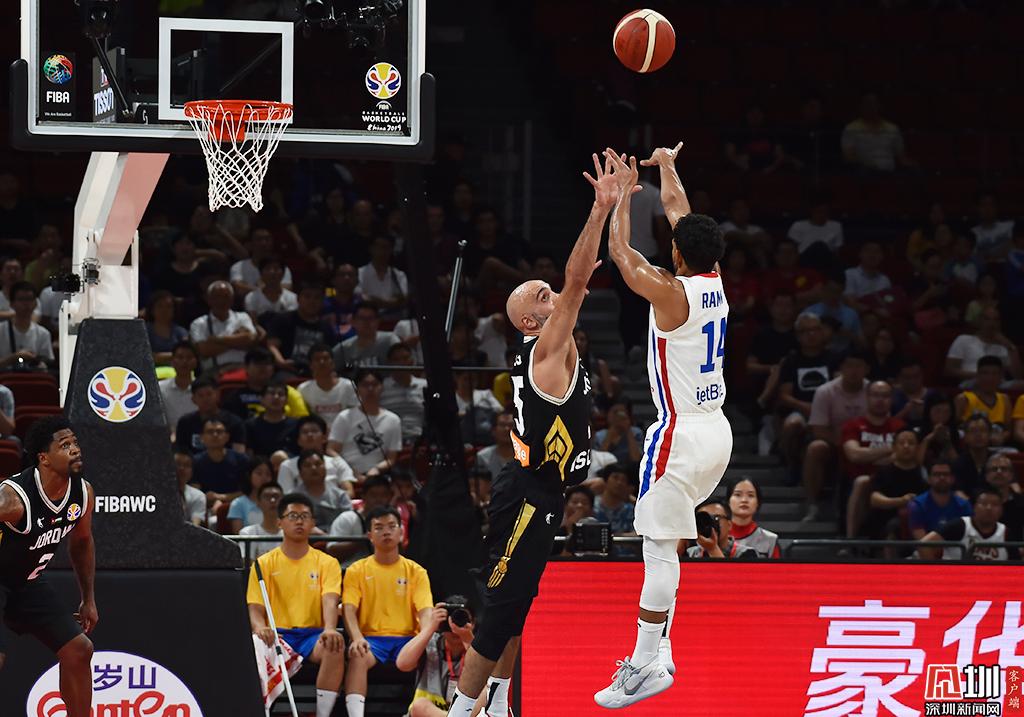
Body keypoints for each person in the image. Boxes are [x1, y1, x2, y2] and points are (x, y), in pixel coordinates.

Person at [446, 153, 610, 717]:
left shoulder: (551, 350)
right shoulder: (545, 350)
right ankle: (460, 712)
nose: (554, 295)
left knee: (517, 611)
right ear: (530, 323)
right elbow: (579, 279)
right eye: (543, 296)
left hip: (542, 492)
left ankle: (497, 706)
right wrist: (601, 209)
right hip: (525, 494)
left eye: (548, 290)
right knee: (498, 618)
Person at [594, 145, 732, 709]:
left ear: (676, 252)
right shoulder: (714, 278)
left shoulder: (672, 293)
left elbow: (620, 254)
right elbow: (681, 211)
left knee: (657, 547)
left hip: (680, 432)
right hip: (717, 431)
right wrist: (668, 167)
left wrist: (621, 199)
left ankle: (646, 659)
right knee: (668, 541)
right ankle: (661, 648)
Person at [0, 416, 97, 716]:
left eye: (75, 443)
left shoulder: (82, 493)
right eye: (65, 445)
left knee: (79, 649)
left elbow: (81, 542)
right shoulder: (12, 499)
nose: (75, 449)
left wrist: (88, 598)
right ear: (44, 458)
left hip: (26, 583)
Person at [246, 493, 343, 717]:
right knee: (253, 646)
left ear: (313, 523)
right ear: (280, 522)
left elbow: (330, 599)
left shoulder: (327, 562)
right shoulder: (263, 563)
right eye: (292, 516)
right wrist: (260, 627)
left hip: (313, 636)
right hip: (277, 636)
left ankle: (322, 715)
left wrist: (330, 628)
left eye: (304, 516)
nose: (299, 521)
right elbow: (255, 607)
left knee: (335, 646)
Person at [342, 506, 434, 717]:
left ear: (401, 532)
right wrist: (356, 638)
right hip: (371, 641)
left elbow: (425, 611)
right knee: (357, 654)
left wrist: (424, 638)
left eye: (392, 526)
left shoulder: (416, 571)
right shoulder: (356, 570)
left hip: (408, 640)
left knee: (431, 653)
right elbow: (348, 608)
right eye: (379, 527)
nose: (386, 532)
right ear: (369, 535)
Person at [802, 351, 870, 521]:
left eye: (858, 366)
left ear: (867, 369)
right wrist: (845, 445)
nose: (854, 371)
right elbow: (819, 429)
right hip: (834, 443)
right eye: (849, 366)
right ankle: (812, 504)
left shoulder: (873, 390)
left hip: (866, 445)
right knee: (816, 448)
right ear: (841, 369)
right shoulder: (825, 391)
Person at [402, 598, 481, 717]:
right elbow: (403, 664)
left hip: (465, 713)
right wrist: (430, 627)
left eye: (460, 619)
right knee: (420, 706)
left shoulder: (480, 647)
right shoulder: (429, 642)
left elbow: (489, 681)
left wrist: (467, 638)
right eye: (449, 620)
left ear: (473, 623)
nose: (453, 627)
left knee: (486, 694)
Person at [328, 368, 402, 481]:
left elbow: (391, 458)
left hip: (378, 476)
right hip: (346, 475)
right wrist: (349, 471)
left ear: (382, 387)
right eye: (365, 385)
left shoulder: (393, 420)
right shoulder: (344, 417)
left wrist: (376, 469)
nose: (370, 389)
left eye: (375, 384)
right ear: (357, 389)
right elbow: (331, 450)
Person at [858, 430, 926, 542]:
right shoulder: (883, 472)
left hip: (917, 523)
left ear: (918, 448)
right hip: (884, 521)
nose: (906, 446)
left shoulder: (924, 473)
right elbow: (875, 499)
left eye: (911, 443)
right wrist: (901, 501)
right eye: (901, 443)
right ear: (894, 447)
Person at [920, 488, 1017, 561]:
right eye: (984, 503)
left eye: (995, 504)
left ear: (1001, 510)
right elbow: (924, 545)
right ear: (974, 507)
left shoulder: (1005, 533)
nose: (989, 508)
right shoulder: (960, 525)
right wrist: (935, 572)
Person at [189, 280, 259, 375]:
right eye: (217, 297)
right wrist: (238, 339)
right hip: (214, 372)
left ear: (232, 299)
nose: (221, 301)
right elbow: (204, 350)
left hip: (242, 369)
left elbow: (250, 340)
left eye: (226, 297)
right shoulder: (199, 323)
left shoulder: (242, 317)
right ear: (208, 299)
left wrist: (217, 340)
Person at [277, 415, 356, 495]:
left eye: (314, 431)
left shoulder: (337, 462)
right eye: (305, 432)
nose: (310, 435)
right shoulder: (287, 466)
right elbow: (286, 495)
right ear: (298, 440)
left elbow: (349, 492)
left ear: (324, 438)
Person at [325, 474, 393, 567]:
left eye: (383, 495)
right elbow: (331, 552)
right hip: (349, 570)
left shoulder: (392, 520)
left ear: (389, 497)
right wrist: (363, 539)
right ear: (363, 496)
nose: (379, 500)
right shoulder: (347, 518)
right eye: (373, 495)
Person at [174, 376, 247, 454]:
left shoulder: (234, 422)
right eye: (200, 395)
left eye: (209, 394)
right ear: (193, 399)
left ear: (218, 395)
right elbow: (181, 453)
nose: (205, 399)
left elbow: (239, 454)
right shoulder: (185, 423)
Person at [954, 356, 1012, 445]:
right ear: (977, 375)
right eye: (985, 373)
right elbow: (952, 428)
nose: (990, 378)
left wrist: (1002, 437)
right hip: (968, 448)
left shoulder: (1004, 399)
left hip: (996, 448)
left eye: (994, 374)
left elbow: (1009, 430)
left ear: (1001, 377)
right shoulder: (963, 399)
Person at [908, 460, 972, 540]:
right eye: (937, 474)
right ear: (929, 479)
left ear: (953, 479)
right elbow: (922, 542)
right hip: (927, 547)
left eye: (946, 474)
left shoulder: (963, 505)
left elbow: (968, 535)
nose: (942, 478)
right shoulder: (917, 505)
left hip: (957, 547)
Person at [298, 343, 357, 428]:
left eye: (325, 358)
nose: (322, 362)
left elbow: (355, 415)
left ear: (333, 363)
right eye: (317, 359)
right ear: (310, 365)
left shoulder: (348, 386)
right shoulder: (303, 389)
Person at [380, 342, 428, 444]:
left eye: (405, 358)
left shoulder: (425, 386)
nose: (402, 363)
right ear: (389, 363)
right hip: (388, 441)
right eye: (396, 360)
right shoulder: (380, 388)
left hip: (420, 440)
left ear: (412, 361)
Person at [293, 450, 353, 531]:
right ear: (300, 473)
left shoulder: (340, 496)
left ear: (325, 468)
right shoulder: (292, 499)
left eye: (318, 464)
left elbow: (349, 524)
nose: (313, 468)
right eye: (307, 465)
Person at [0, 281, 54, 370]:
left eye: (29, 299)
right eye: (21, 299)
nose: (26, 304)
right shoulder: (1, 330)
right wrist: (13, 358)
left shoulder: (43, 334)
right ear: (11, 304)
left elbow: (48, 363)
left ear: (35, 304)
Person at [726, 476, 780, 558]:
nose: (744, 500)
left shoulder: (770, 540)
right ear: (728, 501)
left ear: (758, 502)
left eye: (750, 495)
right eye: (738, 495)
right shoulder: (716, 538)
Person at [684, 500, 757, 559]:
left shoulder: (747, 553)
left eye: (716, 518)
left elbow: (729, 574)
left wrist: (713, 549)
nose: (709, 523)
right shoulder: (691, 553)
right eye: (705, 519)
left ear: (729, 525)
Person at [244, 382, 298, 457]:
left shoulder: (296, 425)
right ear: (261, 399)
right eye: (272, 393)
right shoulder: (250, 425)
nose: (276, 397)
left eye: (281, 394)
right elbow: (249, 455)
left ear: (286, 401)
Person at [159, 340, 200, 436]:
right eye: (180, 357)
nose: (184, 361)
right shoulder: (160, 388)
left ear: (196, 362)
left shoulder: (202, 388)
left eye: (189, 357)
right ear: (172, 361)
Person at [237, 482, 284, 560]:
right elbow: (246, 563)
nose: (272, 500)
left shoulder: (292, 533)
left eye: (276, 496)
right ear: (258, 503)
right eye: (267, 497)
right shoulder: (248, 533)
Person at [227, 456, 274, 532]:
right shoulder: (238, 504)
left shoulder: (276, 503)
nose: (264, 478)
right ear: (249, 475)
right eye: (259, 473)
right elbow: (238, 535)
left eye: (268, 474)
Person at [473, 412, 516, 480]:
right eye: (502, 425)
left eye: (511, 425)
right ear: (493, 430)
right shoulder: (482, 457)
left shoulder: (526, 456)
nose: (507, 429)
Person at [175, 450, 206, 526]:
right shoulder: (155, 493)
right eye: (177, 464)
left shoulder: (198, 496)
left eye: (187, 465)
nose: (181, 468)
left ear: (192, 472)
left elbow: (195, 526)